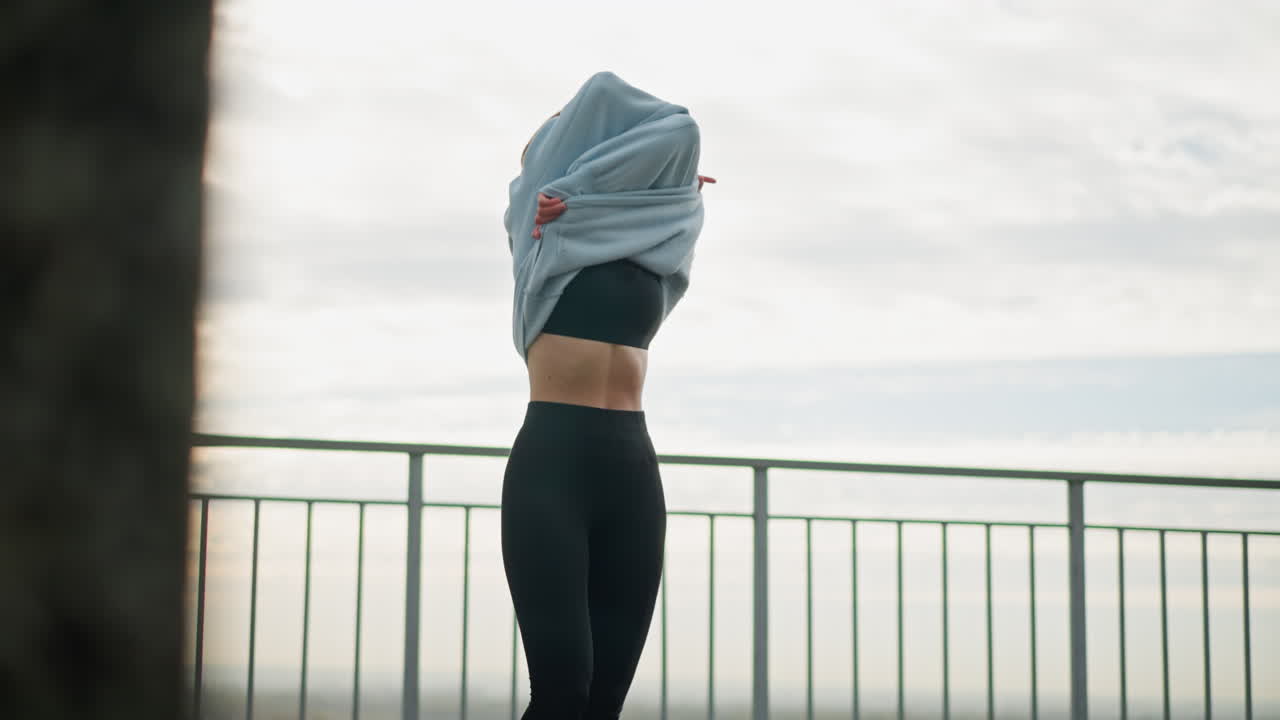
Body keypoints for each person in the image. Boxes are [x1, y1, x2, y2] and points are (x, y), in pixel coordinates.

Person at [500, 71, 714, 719]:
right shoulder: (546, 222)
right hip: (553, 464)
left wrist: (659, 187)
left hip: (631, 468)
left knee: (603, 704)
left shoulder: (662, 230)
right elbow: (549, 152)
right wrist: (579, 182)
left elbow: (680, 130)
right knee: (562, 694)